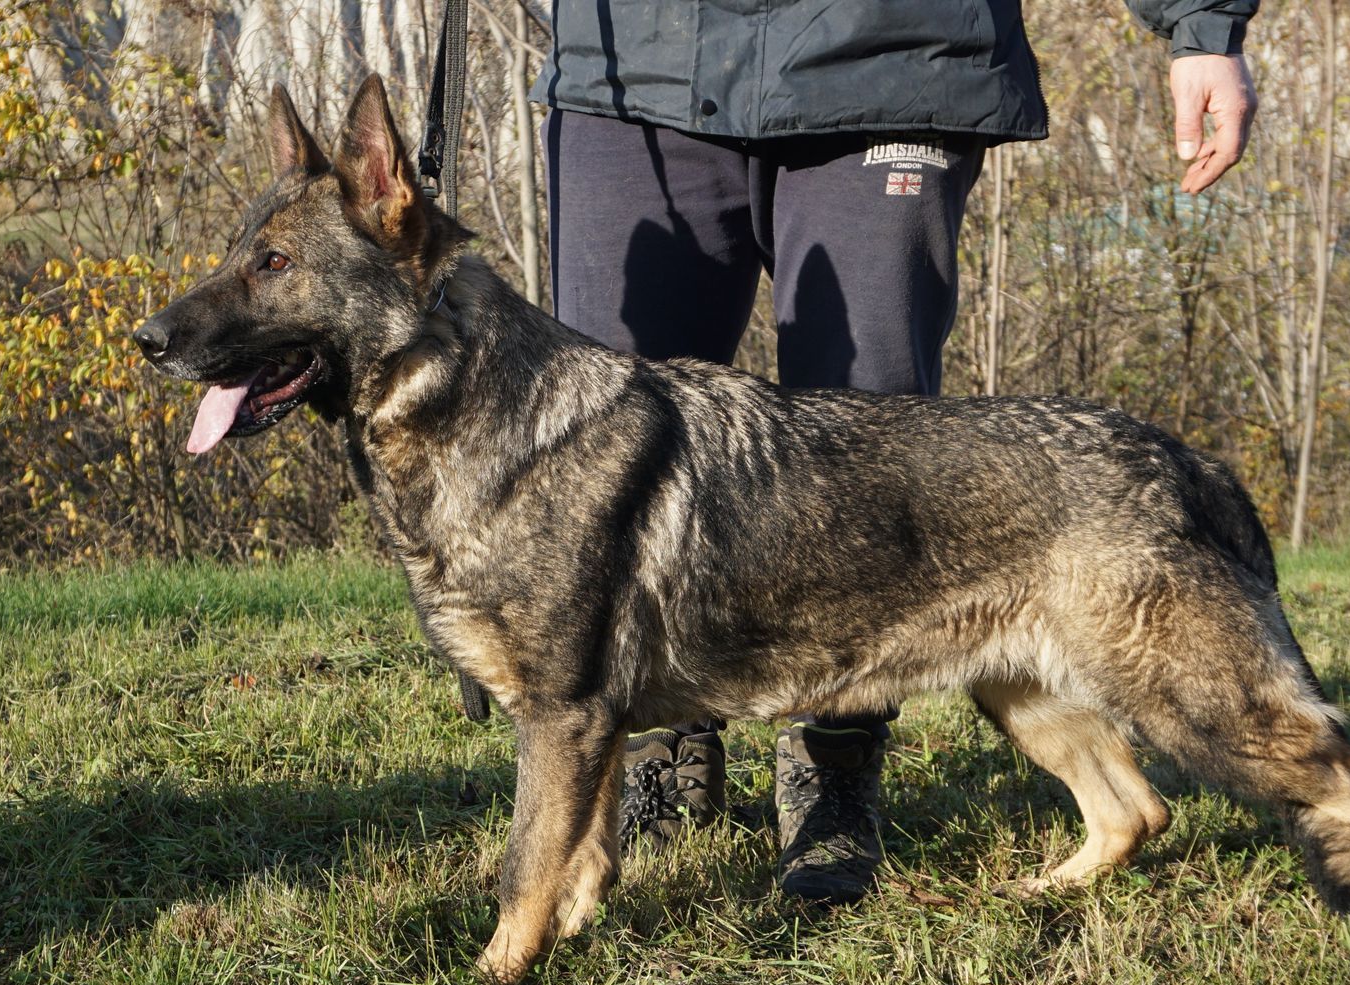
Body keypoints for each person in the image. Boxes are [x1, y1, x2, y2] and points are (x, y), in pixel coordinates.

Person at [532, 0, 1260, 903]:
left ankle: (834, 765)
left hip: (891, 56)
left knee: (873, 464)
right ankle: (659, 749)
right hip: (632, 68)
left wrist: (1201, 29)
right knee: (605, 471)